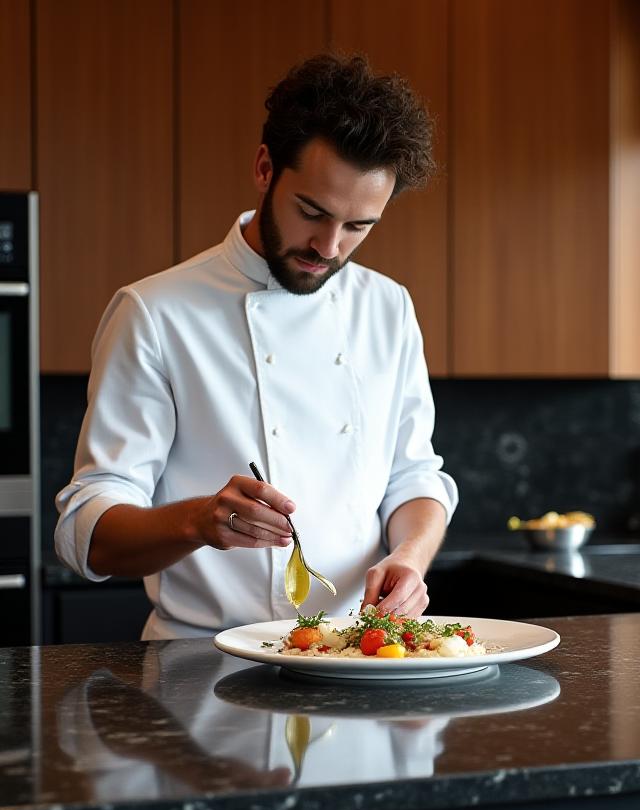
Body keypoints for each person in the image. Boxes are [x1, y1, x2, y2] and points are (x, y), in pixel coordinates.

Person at [55, 53, 458, 640]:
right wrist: (197, 521)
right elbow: (85, 531)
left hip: (349, 659)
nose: (329, 247)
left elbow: (414, 476)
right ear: (266, 168)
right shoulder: (156, 311)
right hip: (197, 673)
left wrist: (411, 559)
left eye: (359, 227)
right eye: (311, 212)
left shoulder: (387, 307)